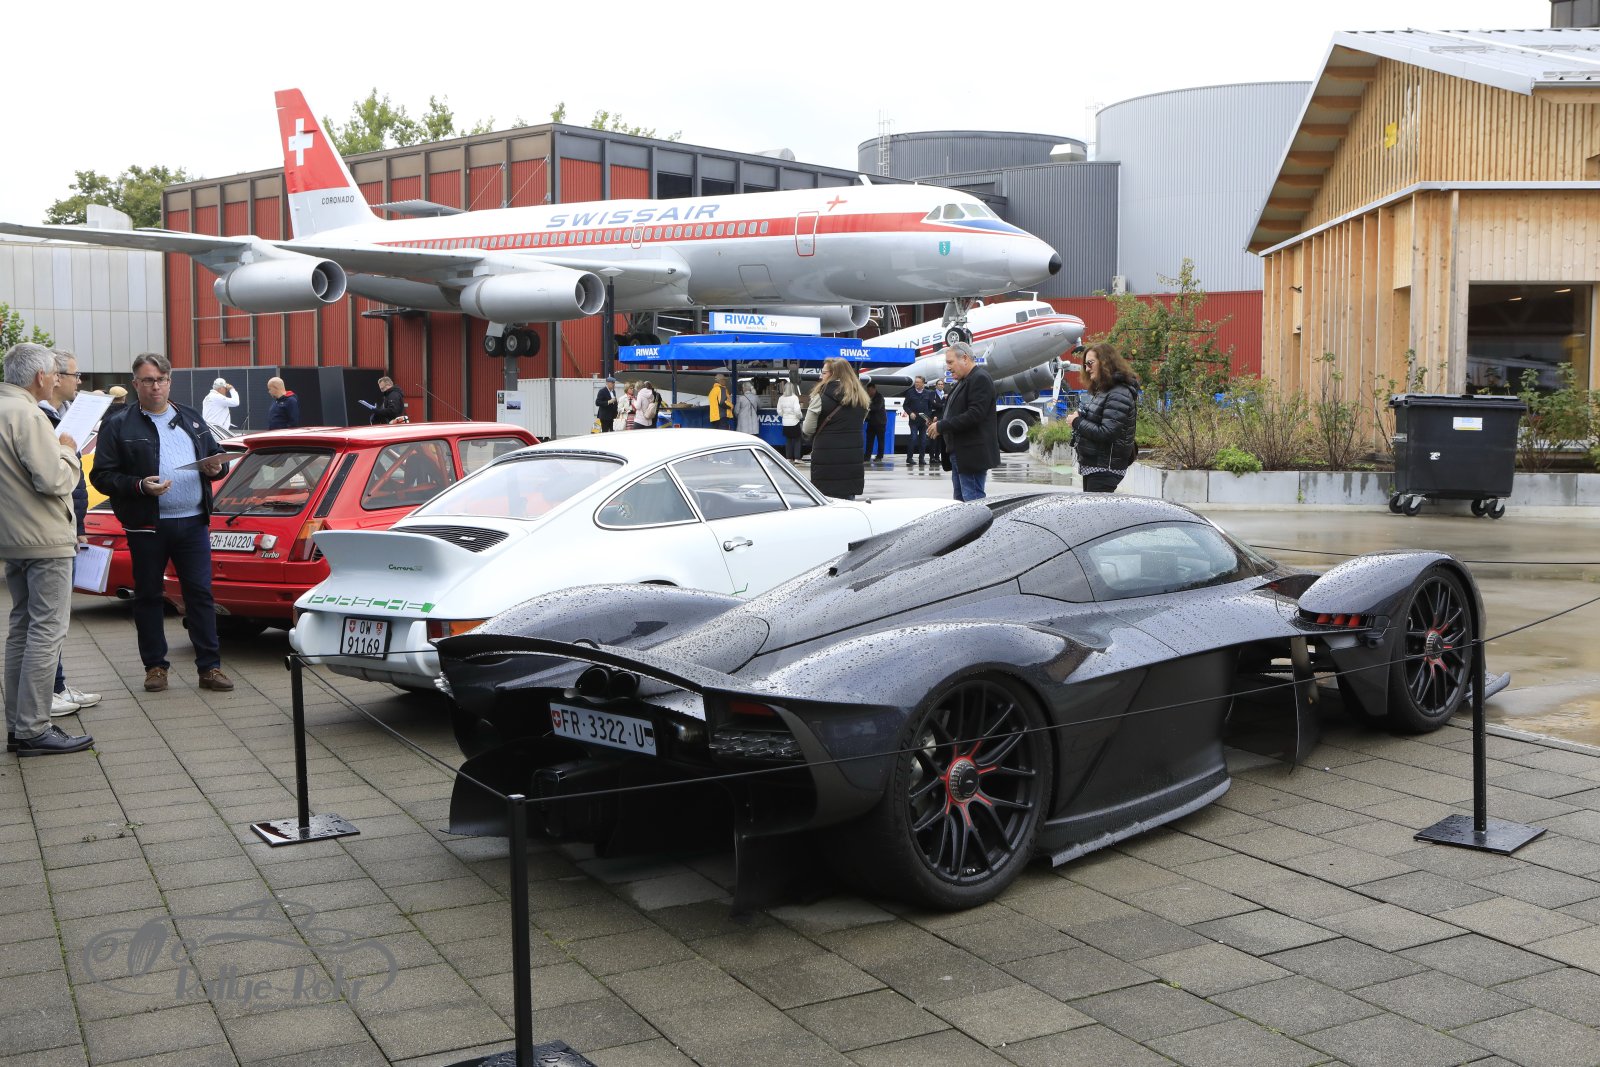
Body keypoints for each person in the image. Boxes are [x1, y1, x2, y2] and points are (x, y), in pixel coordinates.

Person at [90, 353, 234, 694]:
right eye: (148, 380)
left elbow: (216, 457)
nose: (155, 386)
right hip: (147, 525)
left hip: (193, 522)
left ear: (169, 382)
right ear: (135, 384)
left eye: (161, 380)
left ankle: (209, 667)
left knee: (200, 594)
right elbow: (102, 476)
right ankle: (155, 666)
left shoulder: (190, 417)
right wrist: (140, 486)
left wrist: (218, 468)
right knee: (149, 596)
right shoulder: (119, 423)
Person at [0, 343, 94, 755]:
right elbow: (53, 480)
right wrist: (69, 450)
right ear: (40, 376)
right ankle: (33, 728)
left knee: (22, 630)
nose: (57, 381)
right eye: (56, 375)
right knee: (45, 632)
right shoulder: (29, 414)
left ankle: (20, 725)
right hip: (45, 538)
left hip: (14, 536)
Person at [42, 353, 100, 718]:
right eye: (75, 375)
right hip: (49, 532)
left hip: (67, 525)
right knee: (48, 619)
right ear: (54, 376)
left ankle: (58, 685)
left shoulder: (61, 416)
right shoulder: (43, 420)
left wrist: (79, 527)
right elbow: (54, 478)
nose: (79, 381)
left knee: (57, 617)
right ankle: (47, 691)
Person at [929, 341, 1000, 502]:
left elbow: (975, 415)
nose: (948, 367)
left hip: (971, 454)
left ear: (965, 358)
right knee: (961, 504)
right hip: (960, 454)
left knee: (972, 503)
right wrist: (940, 421)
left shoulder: (979, 378)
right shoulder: (964, 380)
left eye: (950, 362)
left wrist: (942, 425)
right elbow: (959, 411)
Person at [1068, 341, 1141, 493]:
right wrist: (1083, 417)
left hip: (1105, 469)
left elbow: (1107, 432)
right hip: (1096, 467)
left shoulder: (1118, 393)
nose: (1087, 369)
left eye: (1090, 363)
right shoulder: (1106, 390)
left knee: (1095, 509)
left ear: (1105, 362)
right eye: (1085, 365)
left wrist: (1077, 422)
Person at [802, 357, 869, 499]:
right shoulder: (861, 398)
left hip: (826, 460)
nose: (821, 376)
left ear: (834, 374)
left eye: (824, 373)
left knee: (827, 504)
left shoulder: (820, 396)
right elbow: (859, 423)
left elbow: (807, 429)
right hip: (852, 459)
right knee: (848, 503)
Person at [901, 375, 935, 470]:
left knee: (923, 440)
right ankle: (909, 458)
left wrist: (928, 417)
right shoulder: (910, 392)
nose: (916, 384)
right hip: (914, 421)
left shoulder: (928, 393)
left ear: (923, 383)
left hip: (924, 421)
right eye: (915, 382)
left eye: (918, 382)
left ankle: (921, 458)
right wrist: (910, 413)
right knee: (913, 438)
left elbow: (930, 407)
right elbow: (905, 405)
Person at [776, 380, 804, 461]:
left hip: (785, 422)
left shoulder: (781, 398)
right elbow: (797, 410)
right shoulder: (795, 398)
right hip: (794, 422)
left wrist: (784, 416)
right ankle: (797, 458)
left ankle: (789, 457)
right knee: (797, 440)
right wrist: (800, 417)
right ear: (793, 389)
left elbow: (779, 411)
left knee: (788, 440)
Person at [863, 381, 887, 463]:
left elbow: (876, 407)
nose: (868, 392)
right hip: (871, 422)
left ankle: (879, 456)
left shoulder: (879, 397)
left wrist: (867, 406)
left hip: (880, 422)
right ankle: (867, 456)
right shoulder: (868, 397)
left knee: (880, 440)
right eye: (867, 390)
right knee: (869, 440)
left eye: (870, 390)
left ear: (874, 389)